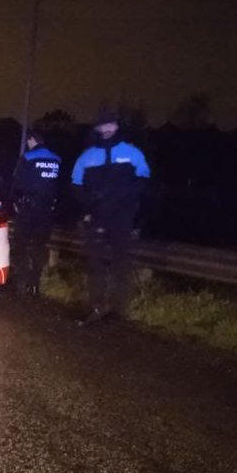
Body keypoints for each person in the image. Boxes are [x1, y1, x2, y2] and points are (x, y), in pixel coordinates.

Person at [70, 108, 151, 325]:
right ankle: (96, 307)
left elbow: (144, 180)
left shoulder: (132, 152)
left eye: (110, 125)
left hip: (122, 218)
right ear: (97, 128)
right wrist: (90, 200)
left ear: (117, 126)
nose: (106, 129)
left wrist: (127, 201)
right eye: (102, 125)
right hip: (97, 217)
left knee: (120, 264)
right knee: (95, 265)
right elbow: (76, 185)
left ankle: (118, 311)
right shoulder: (87, 156)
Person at [10, 130, 62, 297]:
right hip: (46, 211)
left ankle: (20, 283)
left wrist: (15, 202)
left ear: (32, 140)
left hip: (27, 210)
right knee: (40, 247)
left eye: (28, 141)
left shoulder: (28, 157)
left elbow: (17, 183)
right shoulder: (56, 159)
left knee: (21, 246)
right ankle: (35, 284)